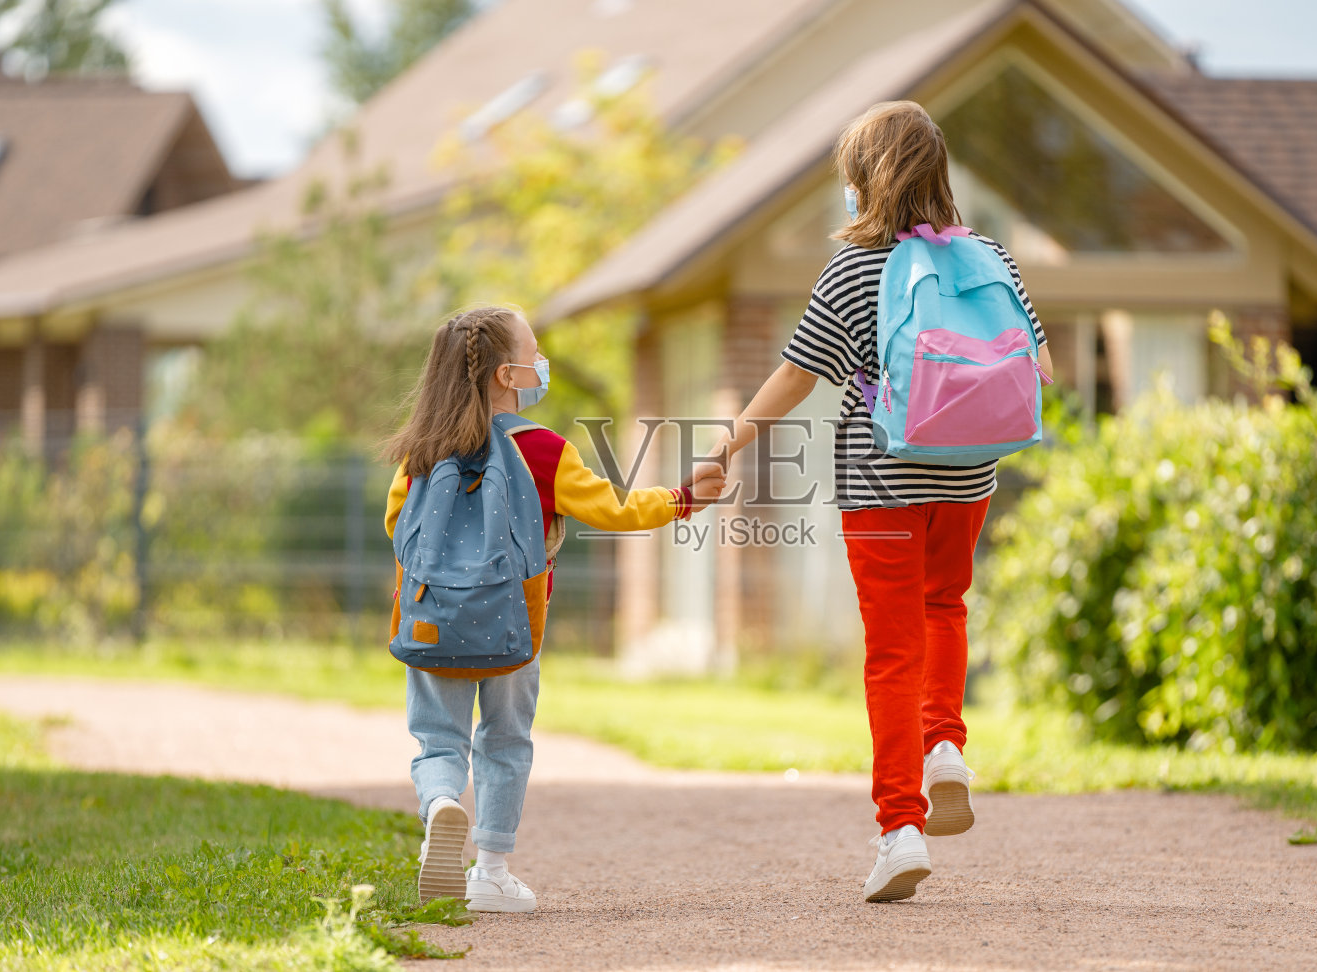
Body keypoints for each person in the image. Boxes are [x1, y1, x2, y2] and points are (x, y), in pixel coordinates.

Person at [690, 102, 1053, 902]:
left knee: (891, 652)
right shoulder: (990, 255)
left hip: (881, 481)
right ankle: (946, 744)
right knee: (946, 605)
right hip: (967, 477)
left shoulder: (852, 268)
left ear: (862, 180)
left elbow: (794, 376)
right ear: (939, 173)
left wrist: (727, 444)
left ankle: (900, 829)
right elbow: (1042, 365)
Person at [382, 305, 724, 913]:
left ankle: (440, 808)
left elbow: (397, 528)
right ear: (507, 376)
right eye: (533, 353)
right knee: (506, 740)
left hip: (432, 625)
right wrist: (683, 497)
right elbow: (615, 509)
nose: (541, 363)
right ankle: (490, 872)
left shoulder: (421, 452)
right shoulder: (544, 451)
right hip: (515, 628)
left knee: (438, 741)